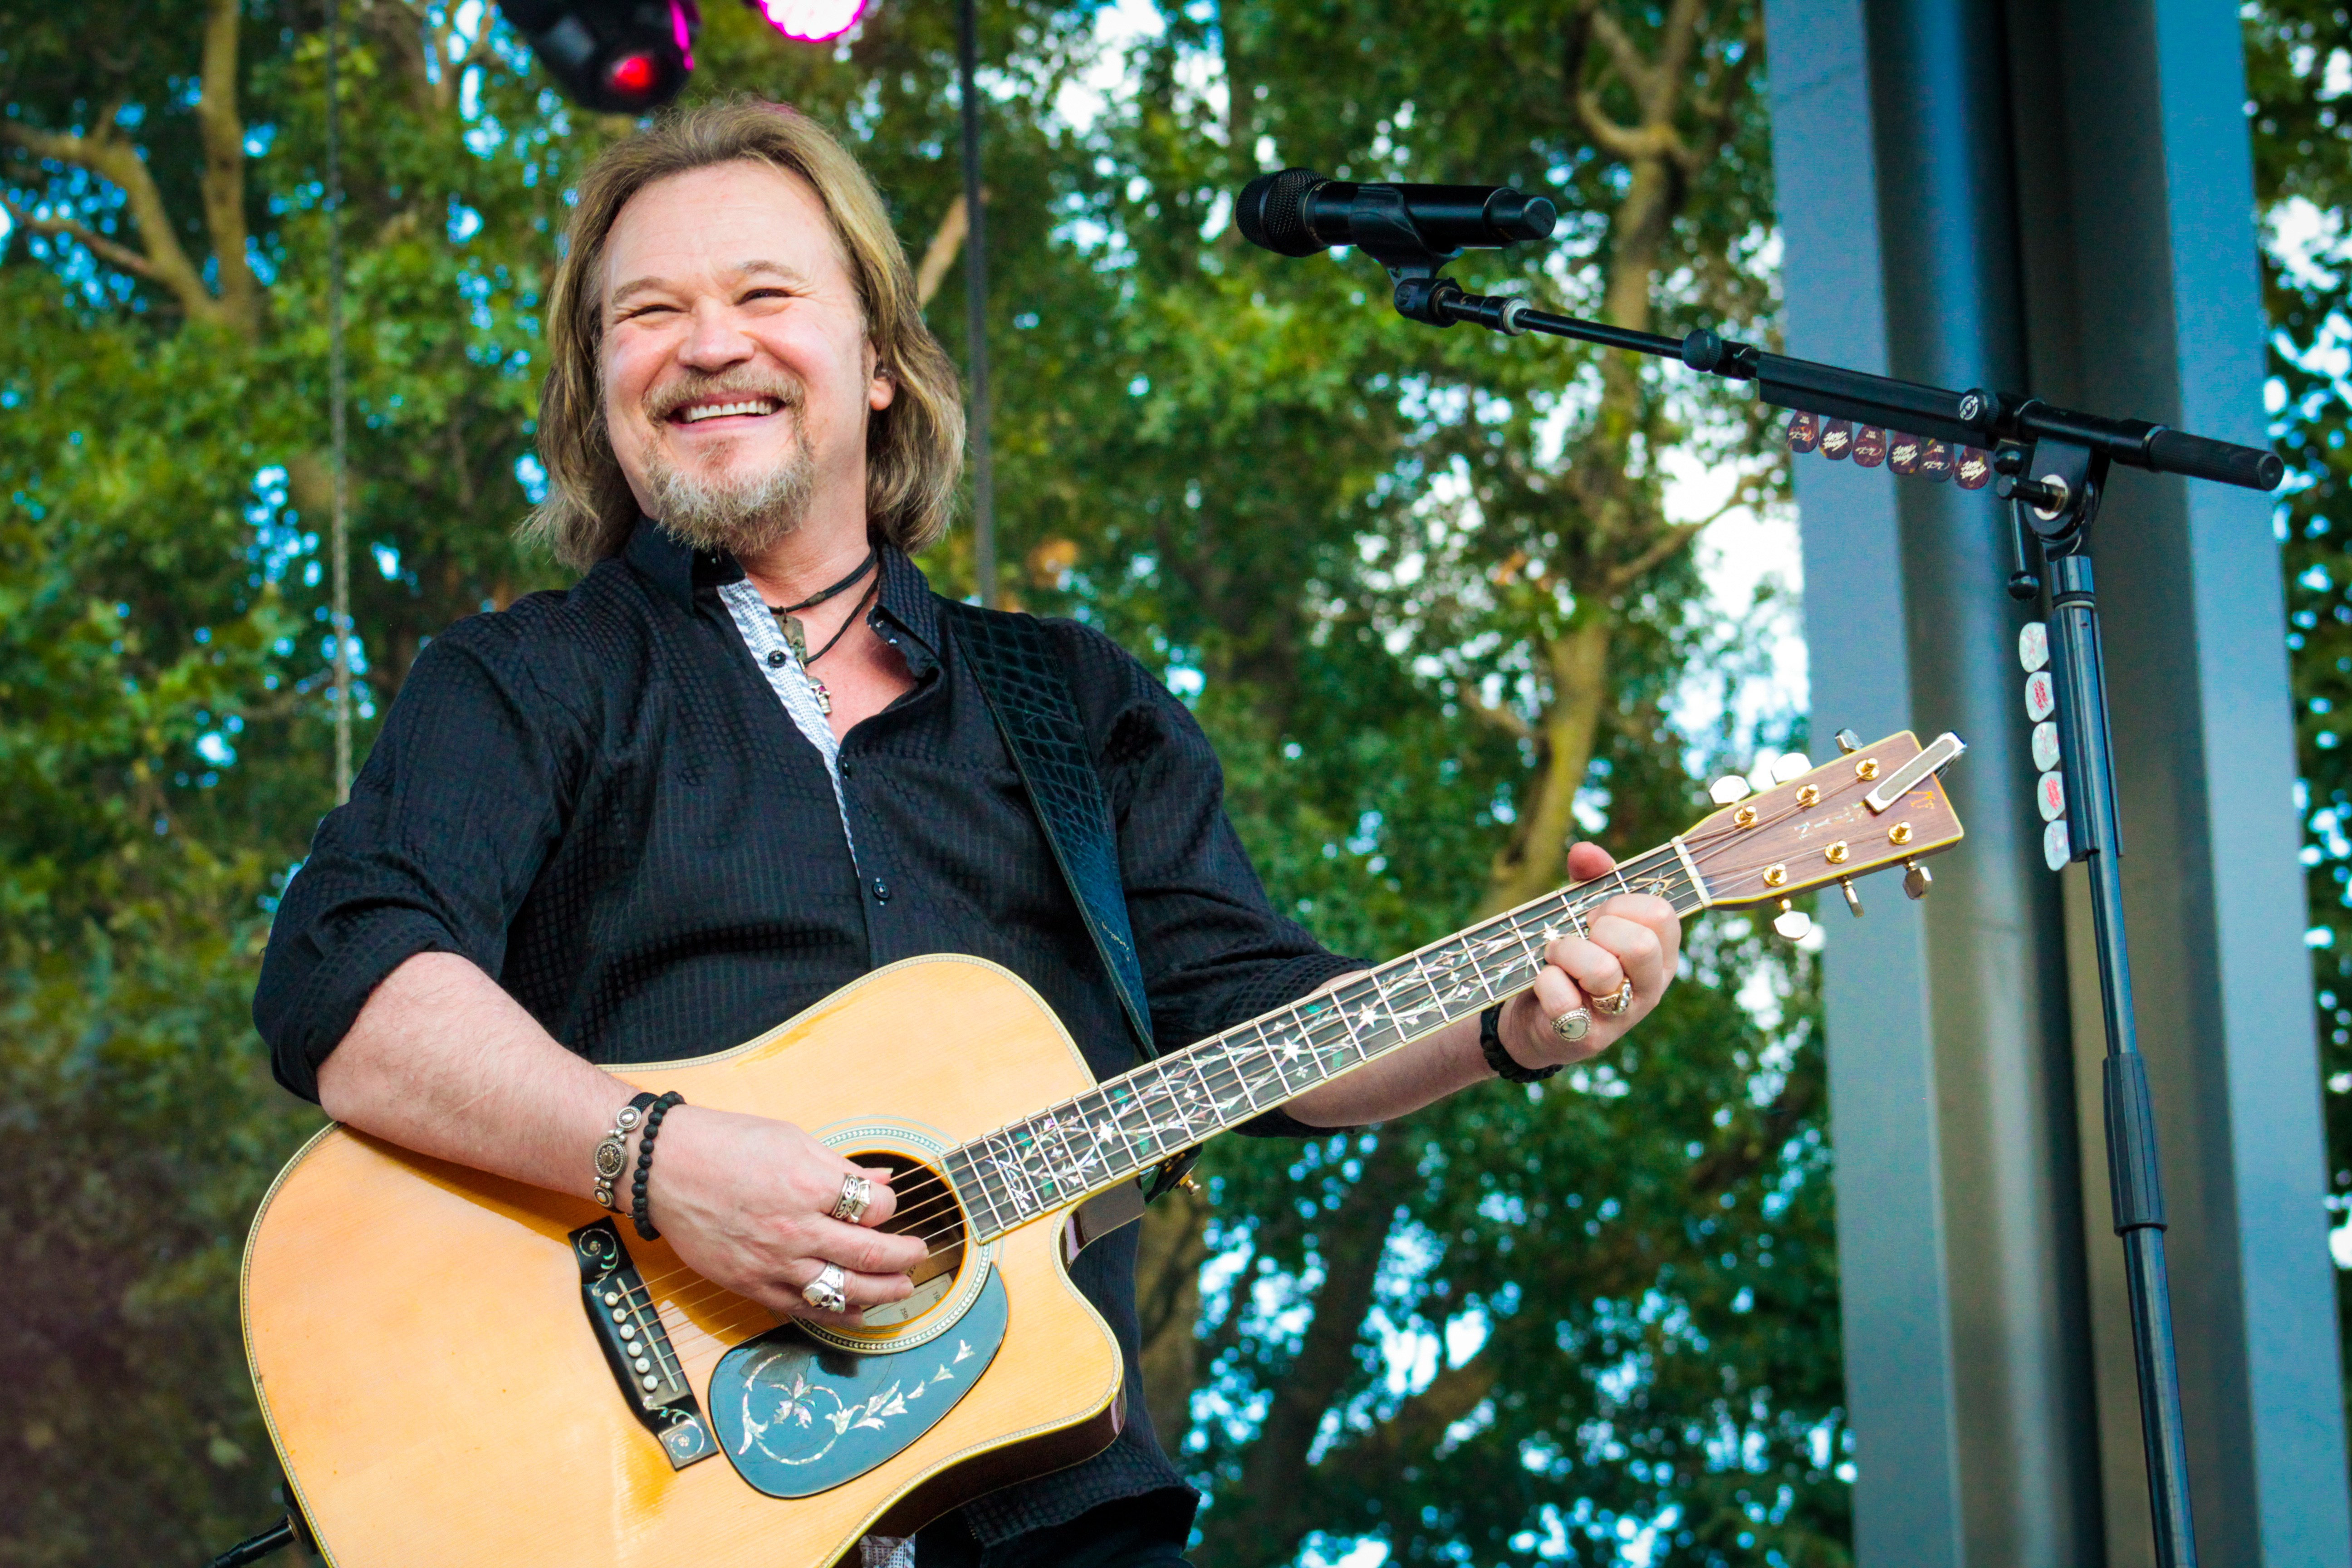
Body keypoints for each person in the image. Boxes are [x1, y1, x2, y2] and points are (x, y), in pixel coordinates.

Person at [252, 99, 1680, 1568]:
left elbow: (1256, 1019)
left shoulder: (1073, 702)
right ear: (597, 377)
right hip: (642, 1518)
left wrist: (1504, 1016)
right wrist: (658, 1161)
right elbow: (348, 982)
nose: (706, 343)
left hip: (1053, 1520)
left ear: (877, 358)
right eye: (648, 312)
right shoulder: (521, 682)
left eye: (762, 295)